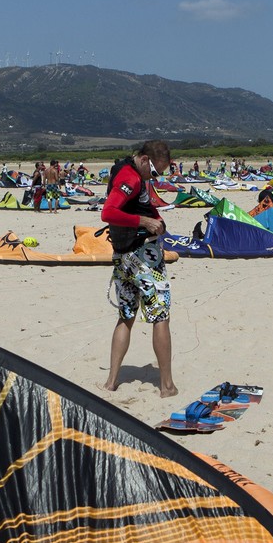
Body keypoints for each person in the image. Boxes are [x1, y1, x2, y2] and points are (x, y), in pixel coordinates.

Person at [100, 140, 177, 399]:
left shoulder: (128, 172)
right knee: (160, 316)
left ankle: (111, 381)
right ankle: (166, 386)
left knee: (126, 316)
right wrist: (143, 221)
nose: (156, 177)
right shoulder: (130, 178)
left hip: (122, 256)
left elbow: (140, 204)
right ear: (144, 160)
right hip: (142, 256)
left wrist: (154, 217)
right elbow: (108, 212)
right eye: (155, 172)